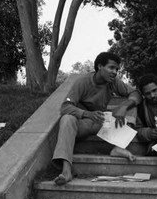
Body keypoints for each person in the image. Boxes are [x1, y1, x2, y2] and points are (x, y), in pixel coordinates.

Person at [51, 52, 141, 185]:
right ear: (100, 66)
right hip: (84, 124)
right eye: (111, 68)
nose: (115, 72)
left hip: (102, 123)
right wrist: (87, 114)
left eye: (116, 69)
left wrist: (123, 107)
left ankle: (118, 147)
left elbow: (135, 93)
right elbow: (65, 107)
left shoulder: (113, 82)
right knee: (67, 119)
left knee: (132, 106)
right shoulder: (82, 82)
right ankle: (66, 170)